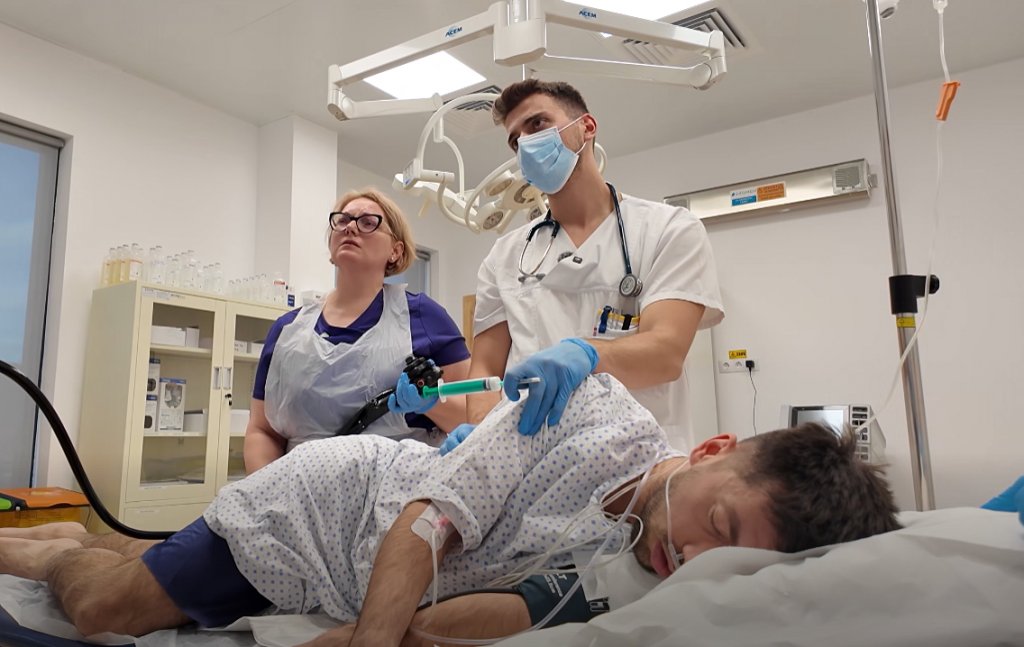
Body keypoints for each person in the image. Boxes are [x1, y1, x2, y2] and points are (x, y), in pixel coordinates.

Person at [0, 374, 900, 647]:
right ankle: (46, 551)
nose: (697, 554)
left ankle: (79, 539)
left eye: (731, 558)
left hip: (356, 584)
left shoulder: (642, 570)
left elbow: (507, 612)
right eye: (723, 526)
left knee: (149, 579)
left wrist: (375, 635)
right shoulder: (589, 407)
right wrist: (370, 643)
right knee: (104, 610)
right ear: (715, 449)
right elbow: (433, 516)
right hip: (330, 505)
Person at [464, 78, 725, 452]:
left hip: (640, 461)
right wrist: (480, 441)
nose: (526, 144)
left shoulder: (668, 229)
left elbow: (666, 353)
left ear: (586, 127)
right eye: (515, 140)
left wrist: (587, 355)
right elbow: (485, 372)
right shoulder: (504, 256)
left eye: (537, 124)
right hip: (534, 462)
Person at [244, 187, 471, 473]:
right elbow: (262, 430)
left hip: (400, 488)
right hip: (300, 491)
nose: (350, 227)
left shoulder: (425, 317)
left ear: (395, 251)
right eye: (342, 220)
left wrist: (431, 403)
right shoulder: (287, 331)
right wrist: (269, 489)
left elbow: (473, 415)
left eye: (367, 222)